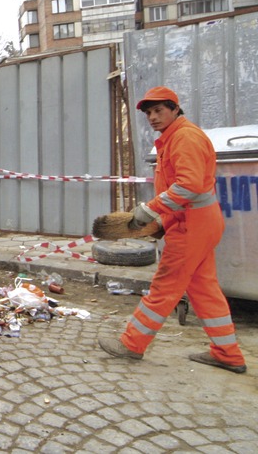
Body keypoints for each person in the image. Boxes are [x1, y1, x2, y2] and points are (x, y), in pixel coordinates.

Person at [98, 86, 247, 374]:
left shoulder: (184, 137)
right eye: (149, 113)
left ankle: (131, 344)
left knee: (164, 286)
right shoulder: (175, 137)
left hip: (192, 226)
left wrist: (149, 210)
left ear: (175, 109)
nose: (153, 117)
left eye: (159, 110)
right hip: (198, 222)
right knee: (204, 289)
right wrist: (163, 222)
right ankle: (227, 353)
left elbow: (189, 186)